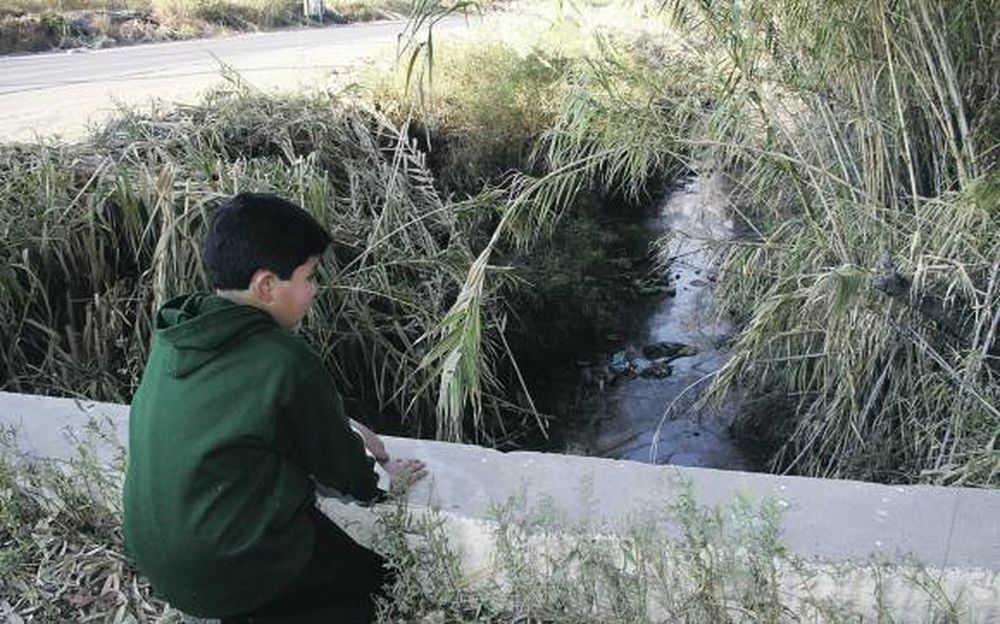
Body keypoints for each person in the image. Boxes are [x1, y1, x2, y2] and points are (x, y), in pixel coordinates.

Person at [122, 192, 427, 623]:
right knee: (378, 587)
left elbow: (251, 413)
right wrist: (384, 479)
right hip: (229, 564)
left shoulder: (176, 336)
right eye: (309, 277)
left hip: (158, 560)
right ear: (266, 285)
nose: (314, 290)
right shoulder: (285, 361)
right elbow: (341, 466)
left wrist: (352, 428)